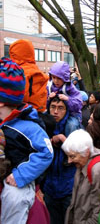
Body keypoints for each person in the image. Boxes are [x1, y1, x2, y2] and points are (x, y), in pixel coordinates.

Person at [0, 57, 54, 224]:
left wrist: (20, 175)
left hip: (19, 183)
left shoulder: (28, 126)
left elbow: (47, 151)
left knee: (14, 198)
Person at [42, 96, 81, 224]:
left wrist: (64, 140)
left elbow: (80, 158)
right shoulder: (42, 128)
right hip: (49, 190)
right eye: (53, 107)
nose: (55, 112)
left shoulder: (75, 129)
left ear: (67, 110)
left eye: (60, 108)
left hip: (69, 190)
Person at [59, 129, 100, 224]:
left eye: (72, 156)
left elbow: (99, 213)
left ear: (86, 152)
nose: (69, 161)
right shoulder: (83, 162)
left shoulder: (98, 171)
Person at [9, 39, 49, 112]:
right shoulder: (35, 69)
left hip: (25, 111)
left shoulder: (21, 72)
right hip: (39, 109)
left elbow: (21, 96)